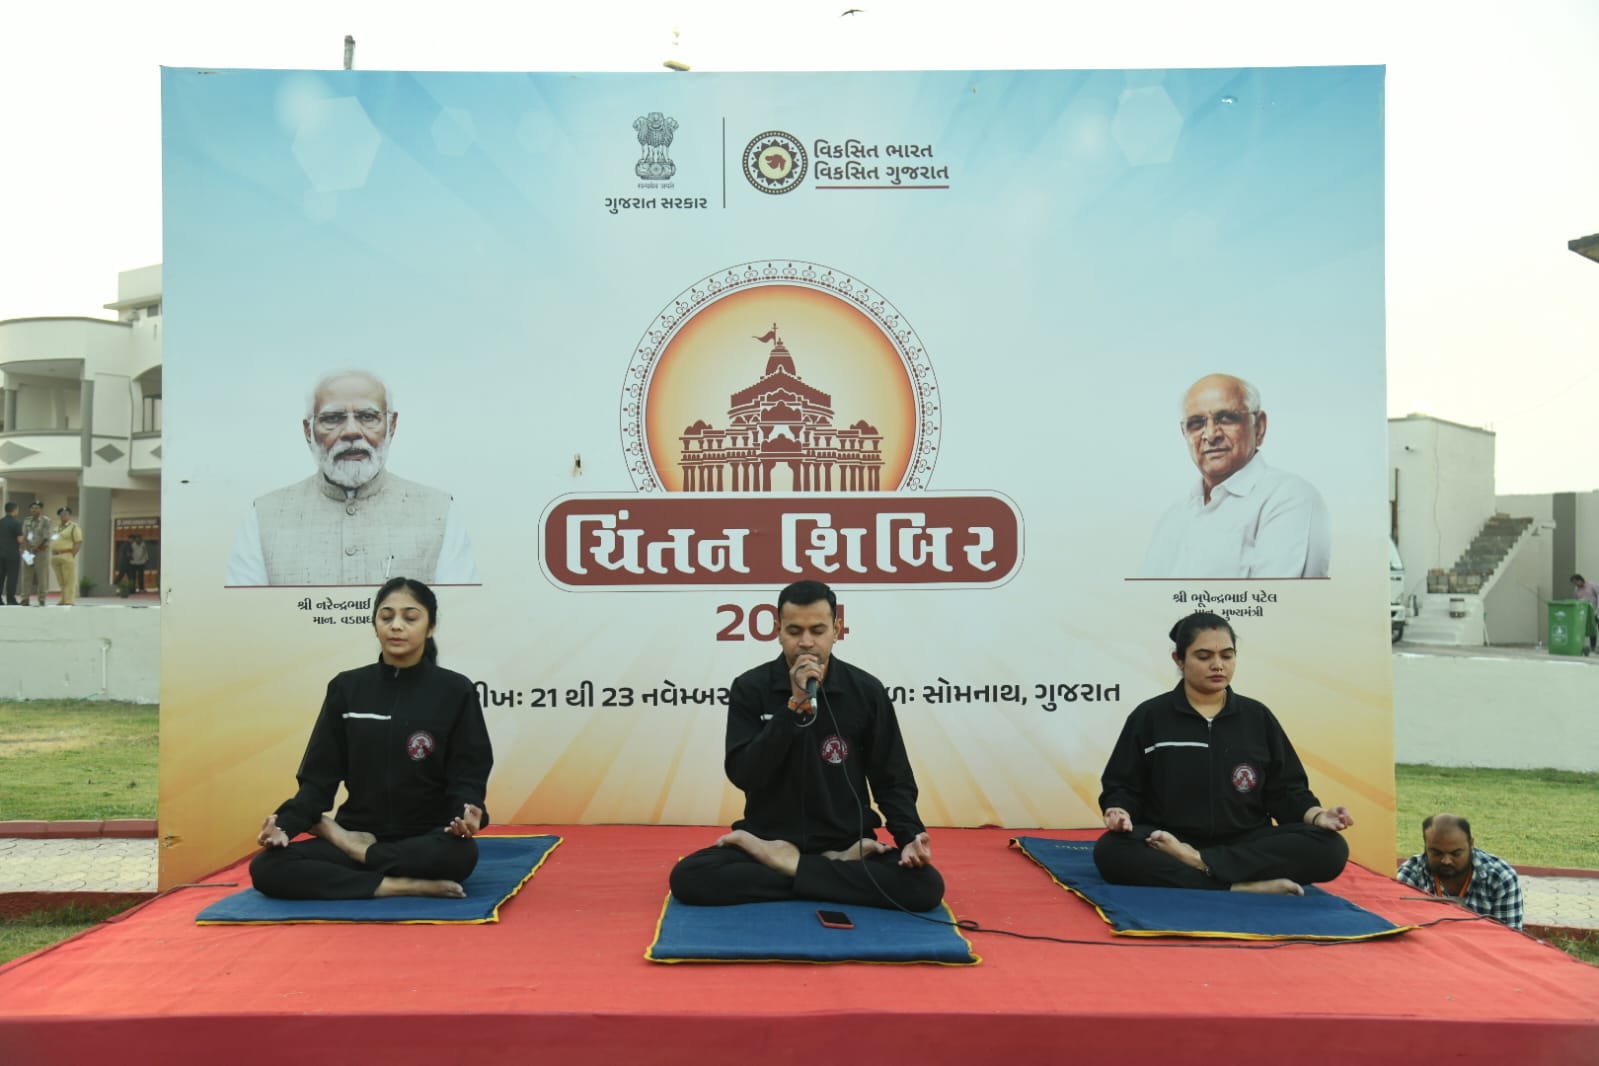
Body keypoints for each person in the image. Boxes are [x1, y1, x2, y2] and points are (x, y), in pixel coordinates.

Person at [669, 579, 944, 911]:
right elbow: (745, 775)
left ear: (837, 629)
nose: (806, 643)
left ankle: (790, 866)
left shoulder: (866, 691)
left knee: (925, 887)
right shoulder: (750, 688)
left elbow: (892, 777)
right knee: (691, 877)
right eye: (795, 630)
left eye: (818, 629)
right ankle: (824, 871)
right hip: (767, 839)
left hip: (846, 842)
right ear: (778, 630)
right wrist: (792, 709)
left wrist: (909, 835)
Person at [249, 577, 494, 900]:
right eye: (386, 616)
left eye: (410, 617)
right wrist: (285, 825)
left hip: (422, 838)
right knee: (267, 868)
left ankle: (359, 856)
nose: (396, 626)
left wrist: (467, 813)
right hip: (360, 829)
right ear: (374, 624)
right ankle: (395, 884)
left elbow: (468, 771)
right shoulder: (347, 688)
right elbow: (318, 780)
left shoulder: (455, 690)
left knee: (460, 856)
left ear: (430, 626)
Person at [1094, 612, 1352, 894]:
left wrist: (1318, 816)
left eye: (1227, 656)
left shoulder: (1257, 717)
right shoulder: (1150, 716)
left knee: (1331, 849)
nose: (1218, 665)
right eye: (1203, 657)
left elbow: (1286, 790)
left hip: (1246, 840)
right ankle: (1238, 885)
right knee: (1111, 852)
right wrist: (1119, 810)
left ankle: (1198, 864)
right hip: (1167, 838)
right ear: (1179, 660)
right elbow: (1123, 785)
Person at [225, 370, 479, 587]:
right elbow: (246, 621)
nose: (351, 432)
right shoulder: (264, 517)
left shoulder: (439, 512)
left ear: (391, 426)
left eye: (368, 417)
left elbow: (460, 616)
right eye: (332, 419)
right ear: (308, 432)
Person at [1139, 373, 1331, 579]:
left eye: (1226, 418)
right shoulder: (1175, 515)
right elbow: (1144, 599)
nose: (1211, 435)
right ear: (1184, 432)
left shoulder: (1290, 498)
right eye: (1196, 423)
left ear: (1259, 427)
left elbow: (1275, 604)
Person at [1395, 813, 1524, 930]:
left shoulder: (1501, 878)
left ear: (1471, 844)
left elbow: (1509, 939)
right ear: (1425, 846)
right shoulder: (1409, 874)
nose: (1446, 861)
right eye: (1436, 853)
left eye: (1455, 853)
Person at [20, 501, 52, 606]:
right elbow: (24, 535)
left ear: (41, 509)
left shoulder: (46, 521)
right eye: (32, 508)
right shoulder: (27, 520)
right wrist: (26, 548)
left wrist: (36, 548)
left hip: (41, 551)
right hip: (28, 551)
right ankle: (25, 598)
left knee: (41, 576)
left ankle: (42, 599)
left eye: (36, 508)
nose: (34, 510)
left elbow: (45, 537)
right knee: (26, 575)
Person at [51, 507, 84, 605]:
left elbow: (78, 542)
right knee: (60, 580)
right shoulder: (56, 528)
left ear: (69, 515)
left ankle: (69, 600)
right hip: (55, 556)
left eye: (65, 514)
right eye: (61, 514)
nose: (63, 516)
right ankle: (64, 598)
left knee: (69, 579)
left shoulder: (74, 527)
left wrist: (72, 554)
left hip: (66, 554)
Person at [1570, 574, 1599, 654]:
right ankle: (1592, 647)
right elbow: (1576, 601)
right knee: (1591, 630)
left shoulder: (1592, 586)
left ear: (1580, 580)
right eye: (1574, 583)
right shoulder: (1576, 590)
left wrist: (1597, 610)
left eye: (1576, 582)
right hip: (1585, 613)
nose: (1575, 585)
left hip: (1596, 611)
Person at [0, 502, 22, 605]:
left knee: (0, 576)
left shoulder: (1, 522)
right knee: (12, 577)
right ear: (15, 510)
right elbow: (20, 539)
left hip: (1, 553)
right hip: (12, 554)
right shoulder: (16, 523)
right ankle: (10, 599)